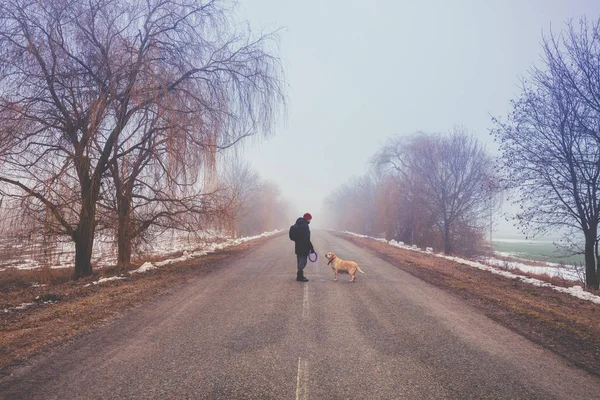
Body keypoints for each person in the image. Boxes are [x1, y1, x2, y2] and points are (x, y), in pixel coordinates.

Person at [291, 212, 315, 282]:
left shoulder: (298, 224)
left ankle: (300, 275)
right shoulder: (305, 226)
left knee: (299, 261)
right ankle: (300, 276)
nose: (310, 220)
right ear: (308, 219)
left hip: (298, 246)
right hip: (303, 247)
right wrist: (311, 248)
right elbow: (306, 238)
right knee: (303, 262)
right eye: (310, 219)